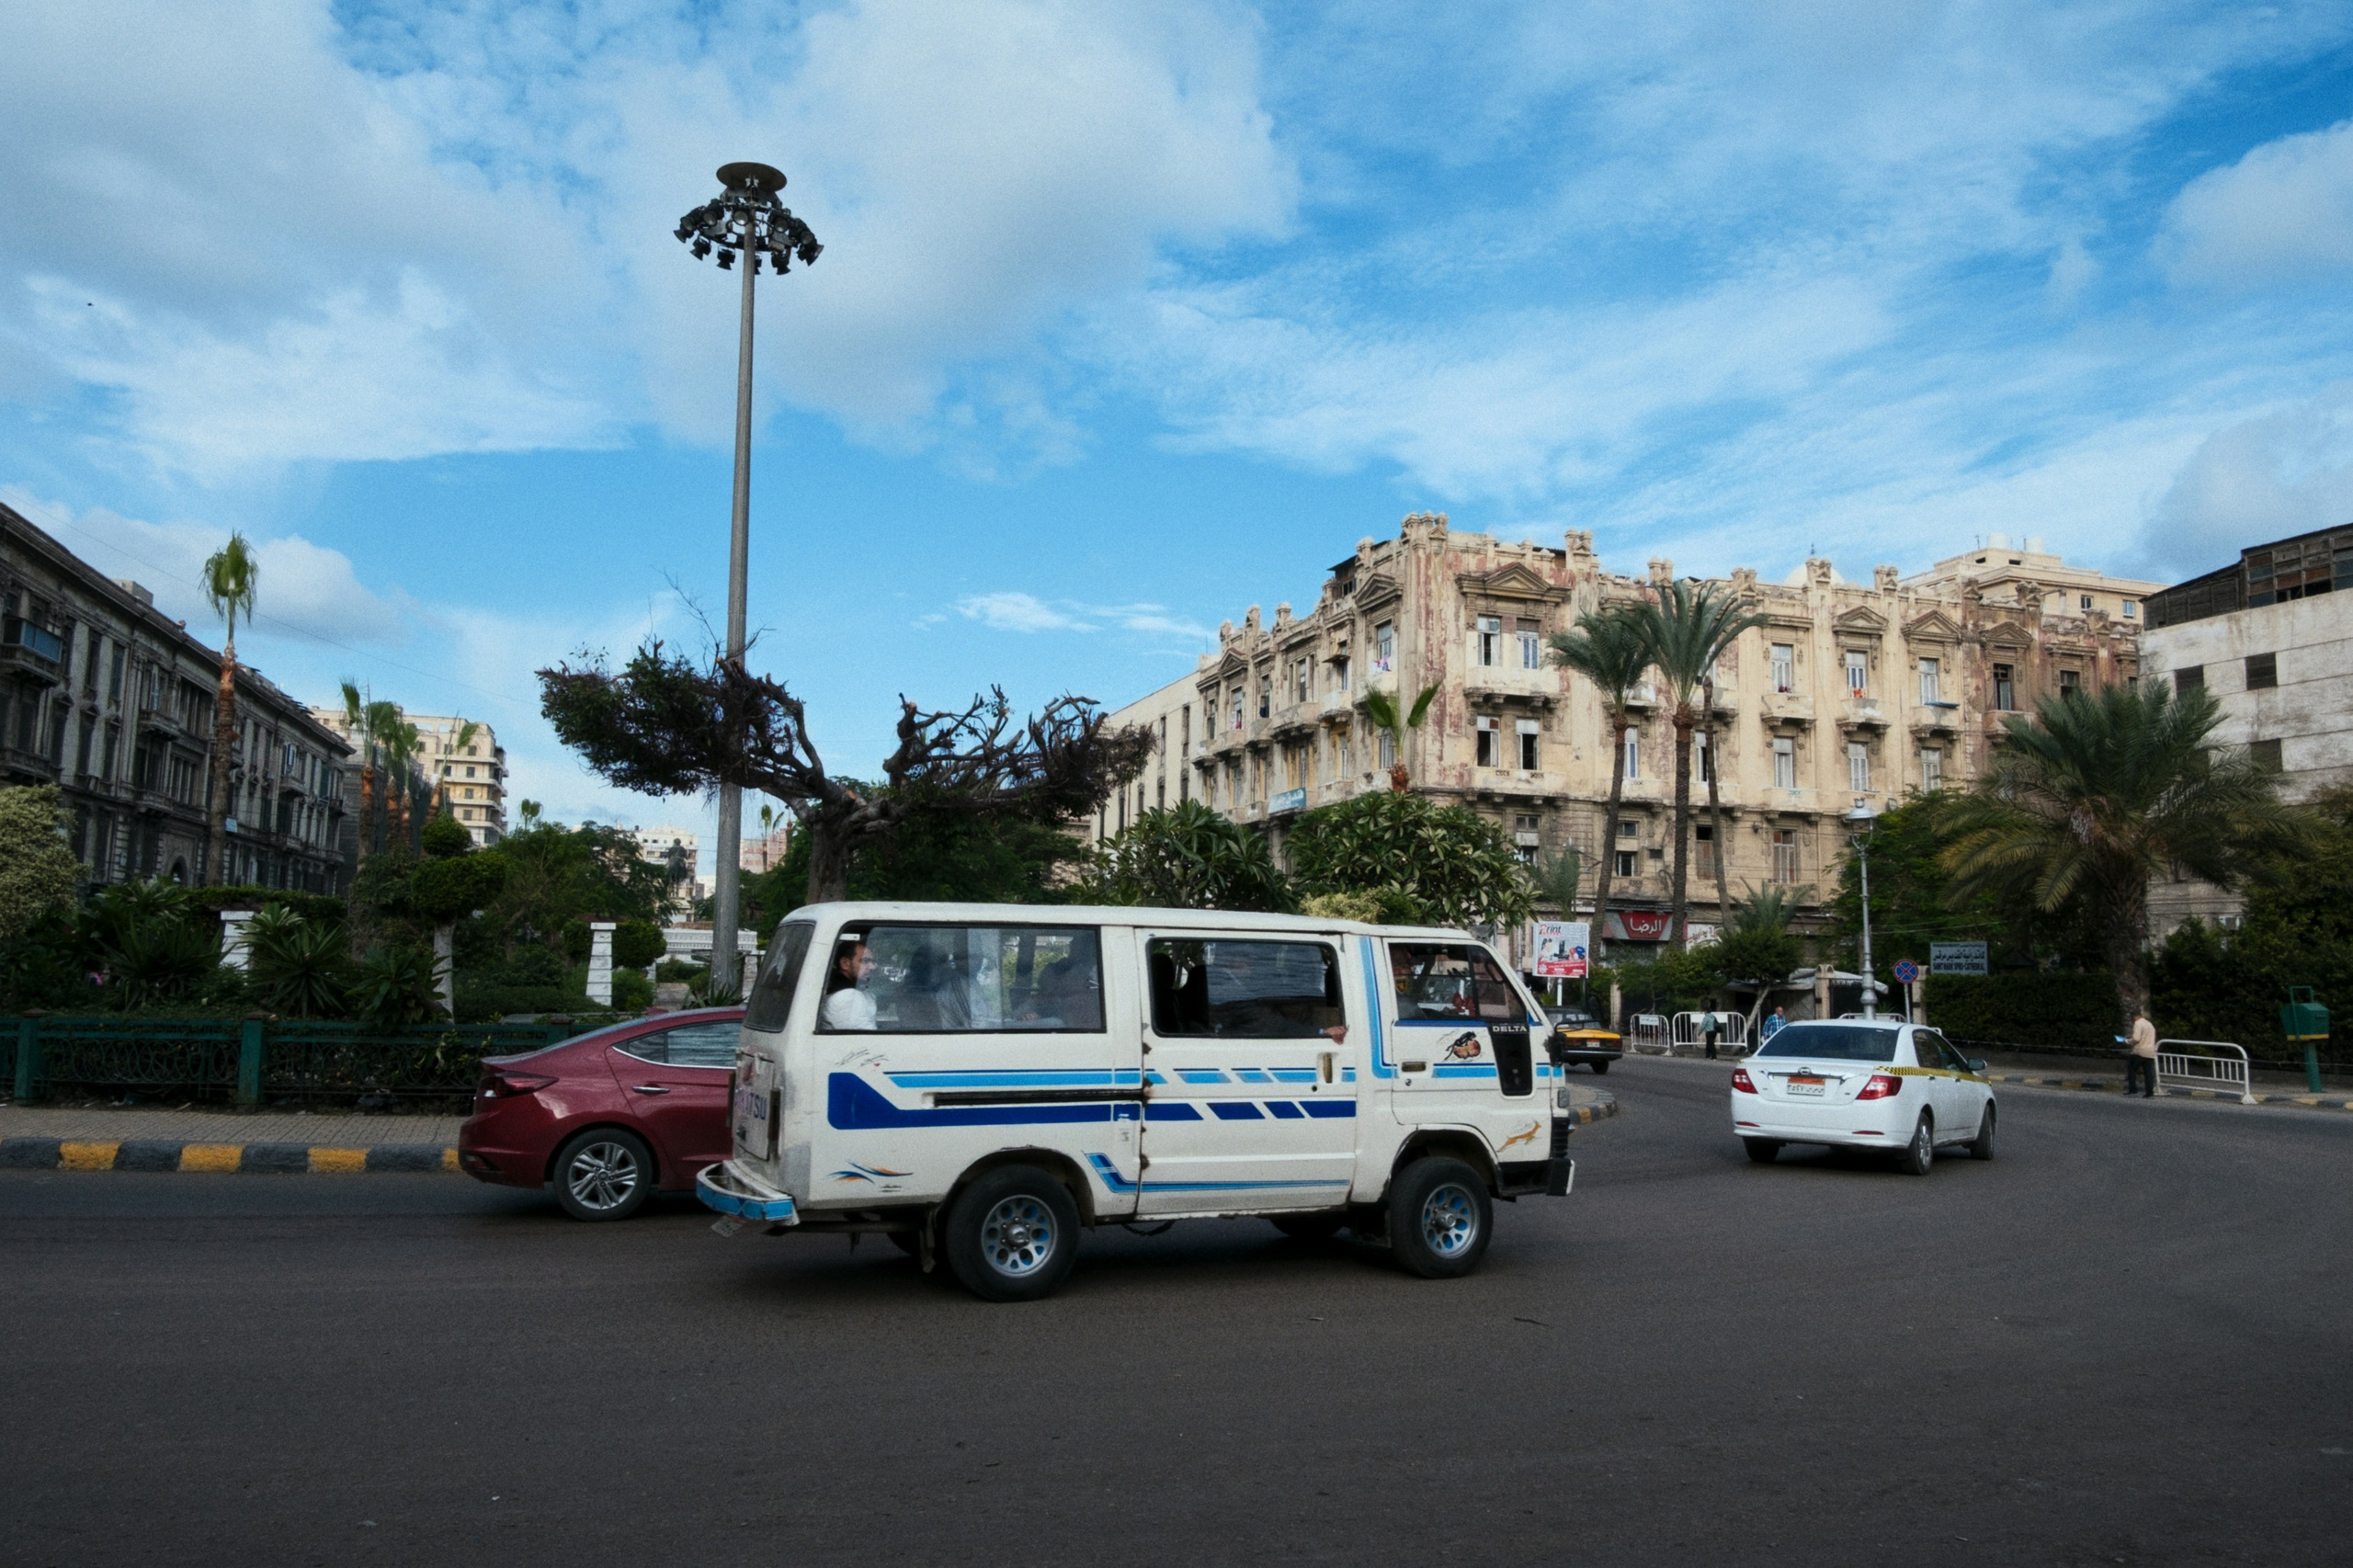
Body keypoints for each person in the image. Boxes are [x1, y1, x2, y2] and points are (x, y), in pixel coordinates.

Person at [822, 939, 878, 1030]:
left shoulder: (846, 992)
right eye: (865, 961)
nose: (872, 967)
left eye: (872, 962)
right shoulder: (846, 997)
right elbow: (865, 1040)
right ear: (845, 963)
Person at [2127, 1011, 2158, 1097]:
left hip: (2139, 1051)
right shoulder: (2149, 1024)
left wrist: (2129, 1041)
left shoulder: (2138, 1023)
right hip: (2150, 1051)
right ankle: (2149, 1092)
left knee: (2132, 1069)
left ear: (2133, 1016)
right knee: (2148, 1073)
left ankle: (2133, 1090)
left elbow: (2136, 1038)